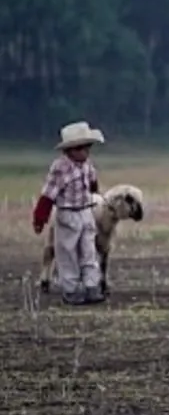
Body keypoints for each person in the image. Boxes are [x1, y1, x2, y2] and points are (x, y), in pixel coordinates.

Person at [32, 122, 106, 305]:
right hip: (67, 214)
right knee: (67, 253)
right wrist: (40, 217)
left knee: (89, 251)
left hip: (86, 211)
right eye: (81, 148)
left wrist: (96, 192)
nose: (86, 152)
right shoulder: (61, 167)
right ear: (70, 150)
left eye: (88, 147)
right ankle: (71, 290)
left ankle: (91, 286)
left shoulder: (87, 164)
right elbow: (49, 194)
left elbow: (93, 182)